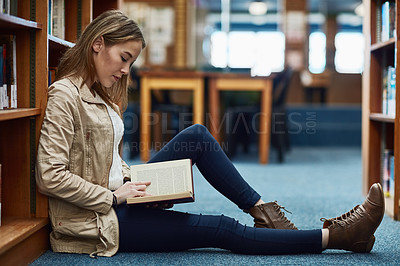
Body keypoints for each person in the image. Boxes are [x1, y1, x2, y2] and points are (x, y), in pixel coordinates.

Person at [35, 10, 385, 258]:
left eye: (131, 62)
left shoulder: (99, 95)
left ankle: (264, 212)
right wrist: (116, 197)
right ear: (98, 44)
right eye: (123, 58)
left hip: (121, 196)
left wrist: (138, 184)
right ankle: (336, 237)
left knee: (198, 135)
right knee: (220, 228)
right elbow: (49, 176)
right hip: (98, 220)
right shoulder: (64, 95)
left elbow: (106, 163)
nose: (126, 70)